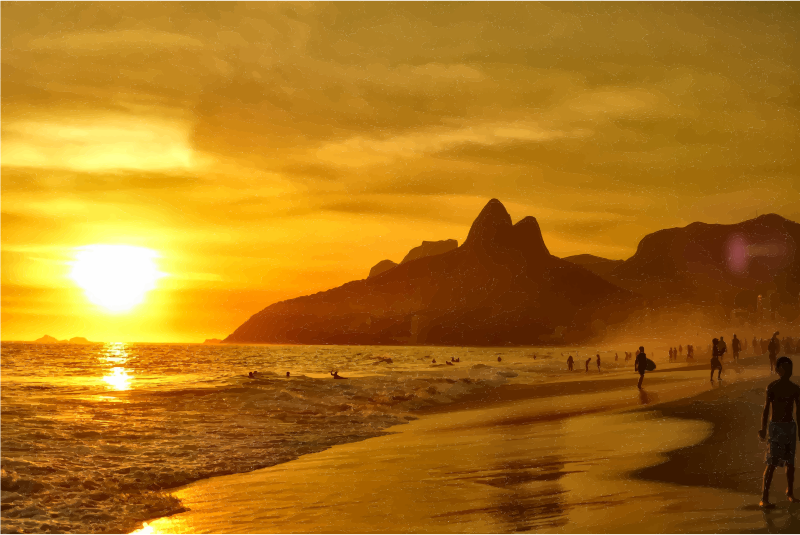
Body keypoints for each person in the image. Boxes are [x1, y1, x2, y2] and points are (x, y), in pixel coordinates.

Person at [758, 356, 800, 508]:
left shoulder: (795, 388)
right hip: (775, 427)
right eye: (785, 368)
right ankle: (764, 497)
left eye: (790, 369)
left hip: (790, 427)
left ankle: (790, 493)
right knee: (772, 461)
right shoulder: (772, 387)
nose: (788, 371)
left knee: (790, 462)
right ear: (778, 370)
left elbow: (799, 411)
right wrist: (763, 428)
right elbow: (766, 408)